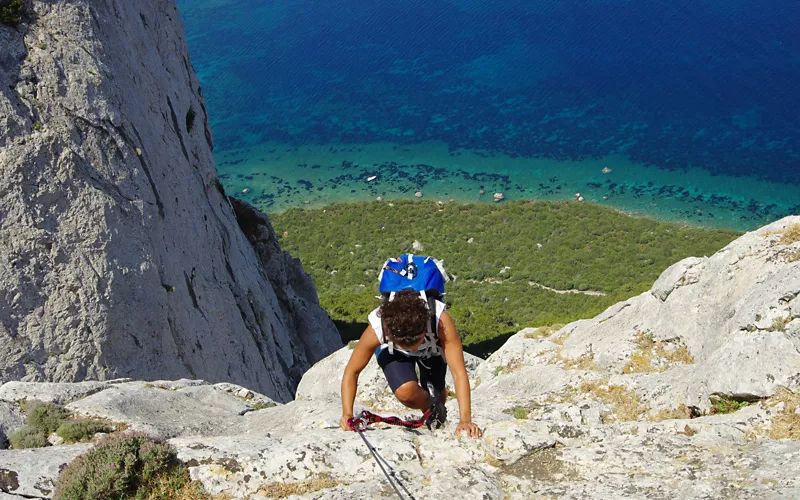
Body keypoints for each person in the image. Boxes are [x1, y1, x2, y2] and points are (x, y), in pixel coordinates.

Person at [339, 290, 482, 438]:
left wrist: (465, 420)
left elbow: (459, 373)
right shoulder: (378, 326)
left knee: (437, 395)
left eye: (415, 342)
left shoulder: (439, 321)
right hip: (394, 351)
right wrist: (347, 413)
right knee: (406, 392)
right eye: (405, 344)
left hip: (431, 348)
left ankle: (436, 404)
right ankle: (431, 406)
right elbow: (352, 371)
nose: (413, 349)